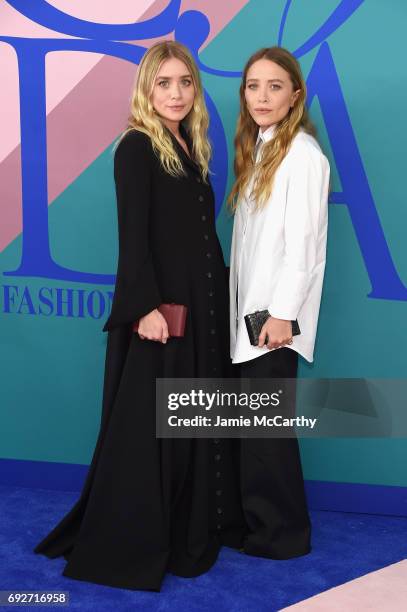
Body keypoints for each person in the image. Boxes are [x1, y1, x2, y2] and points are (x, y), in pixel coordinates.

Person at [34, 41, 246, 592]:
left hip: (201, 308)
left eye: (185, 82)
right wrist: (143, 307)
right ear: (146, 90)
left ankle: (190, 523)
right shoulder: (136, 147)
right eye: (164, 83)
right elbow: (133, 238)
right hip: (162, 312)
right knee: (155, 426)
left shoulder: (189, 145)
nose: (176, 93)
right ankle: (138, 537)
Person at [229, 47, 330, 559]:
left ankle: (282, 535)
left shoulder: (303, 156)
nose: (262, 96)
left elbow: (304, 247)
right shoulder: (263, 149)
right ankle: (259, 524)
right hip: (253, 317)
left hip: (273, 320)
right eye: (253, 86)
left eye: (274, 86)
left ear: (295, 96)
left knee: (266, 432)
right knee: (253, 427)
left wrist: (283, 315)